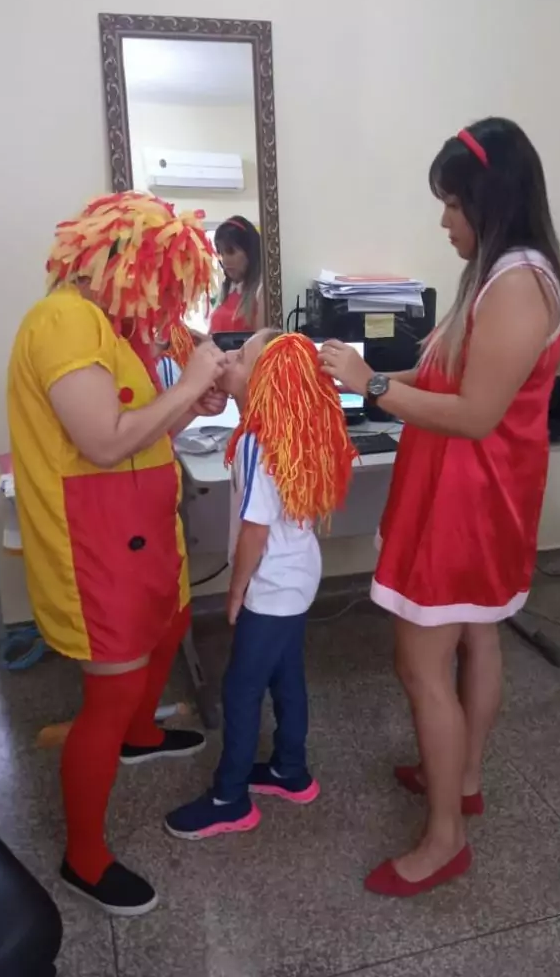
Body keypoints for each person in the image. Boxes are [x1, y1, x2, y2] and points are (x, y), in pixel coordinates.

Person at [319, 118, 560, 898]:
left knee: (419, 662)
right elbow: (453, 378)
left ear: (488, 205)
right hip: (472, 495)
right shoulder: (499, 277)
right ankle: (459, 780)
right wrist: (378, 372)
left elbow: (473, 414)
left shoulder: (520, 286)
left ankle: (444, 839)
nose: (443, 221)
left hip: (469, 502)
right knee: (475, 638)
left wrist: (367, 383)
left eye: (453, 206)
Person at [7, 192, 228, 917]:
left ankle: (142, 735)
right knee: (110, 689)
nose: (165, 301)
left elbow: (138, 416)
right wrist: (193, 382)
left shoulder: (113, 325)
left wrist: (186, 401)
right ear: (123, 262)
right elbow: (104, 439)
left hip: (141, 526)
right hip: (93, 541)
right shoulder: (65, 320)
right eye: (162, 280)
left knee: (169, 625)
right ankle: (85, 856)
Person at [165, 332, 357, 839]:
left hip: (269, 588)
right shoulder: (289, 429)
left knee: (242, 687)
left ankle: (229, 799)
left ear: (265, 379)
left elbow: (254, 530)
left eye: (239, 356)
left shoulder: (256, 441)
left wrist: (235, 591)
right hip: (298, 578)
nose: (226, 358)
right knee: (285, 675)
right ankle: (290, 771)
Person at [209, 215, 263, 333]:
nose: (225, 260)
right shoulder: (227, 291)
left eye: (231, 251)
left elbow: (262, 346)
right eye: (222, 253)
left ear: (249, 252)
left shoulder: (261, 291)